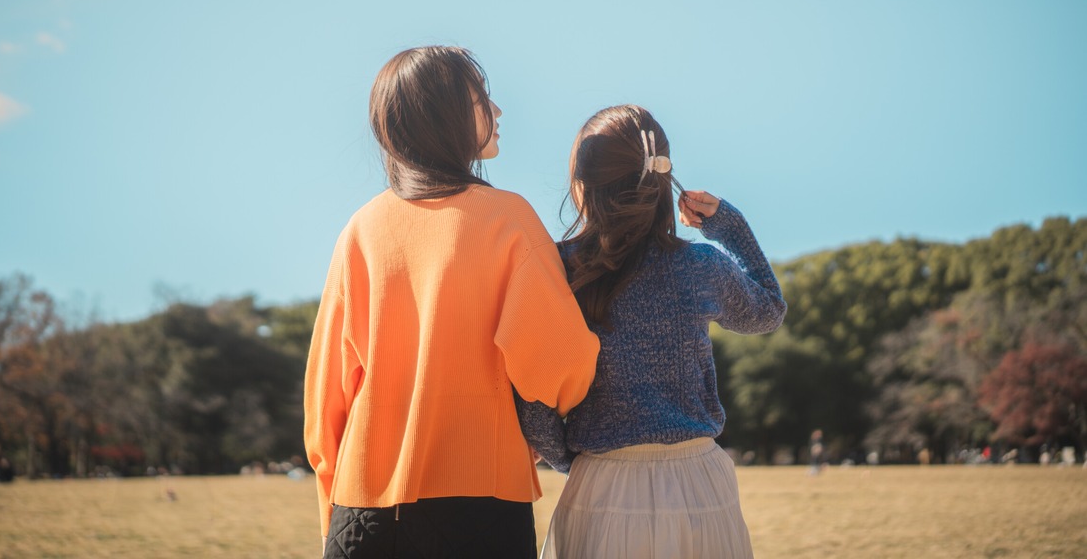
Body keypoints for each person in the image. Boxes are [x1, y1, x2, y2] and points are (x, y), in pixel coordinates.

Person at [305, 46, 600, 559]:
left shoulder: (361, 230)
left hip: (364, 508)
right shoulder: (508, 219)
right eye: (482, 99)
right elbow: (563, 364)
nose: (498, 111)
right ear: (442, 116)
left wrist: (334, 516)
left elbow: (328, 399)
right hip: (479, 509)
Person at [517, 104, 787, 559]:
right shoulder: (700, 266)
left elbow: (533, 398)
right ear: (663, 181)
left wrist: (577, 462)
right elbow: (769, 311)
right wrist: (729, 227)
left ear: (582, 185)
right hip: (701, 489)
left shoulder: (556, 269)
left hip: (601, 487)